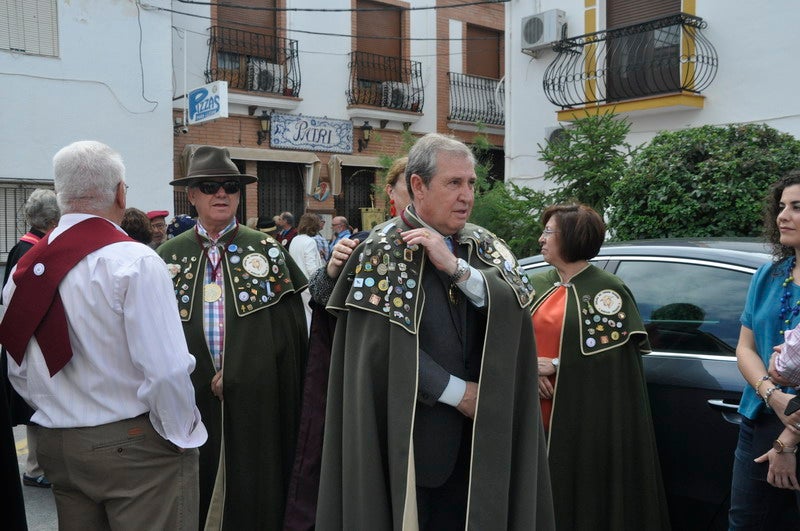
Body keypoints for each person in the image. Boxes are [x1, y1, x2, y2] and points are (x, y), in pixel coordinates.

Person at [315, 133, 554, 530]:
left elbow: (516, 312)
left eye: (471, 183)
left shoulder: (484, 245)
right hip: (412, 443)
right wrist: (459, 394)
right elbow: (379, 349)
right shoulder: (382, 250)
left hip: (488, 438)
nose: (467, 195)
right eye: (454, 183)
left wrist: (457, 269)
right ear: (418, 186)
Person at [0, 140, 207, 529]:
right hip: (133, 444)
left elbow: (17, 364)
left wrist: (57, 412)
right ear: (120, 192)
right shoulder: (135, 261)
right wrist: (181, 434)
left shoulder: (26, 268)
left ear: (61, 194)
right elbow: (166, 369)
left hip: (58, 443)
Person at [157, 145, 308, 530]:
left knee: (253, 490)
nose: (221, 194)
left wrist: (242, 371)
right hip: (189, 400)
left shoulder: (267, 249)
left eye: (230, 186)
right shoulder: (166, 256)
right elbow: (152, 335)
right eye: (209, 186)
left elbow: (289, 336)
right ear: (192, 195)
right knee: (192, 488)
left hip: (257, 401)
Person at [529, 203, 670, 530]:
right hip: (533, 418)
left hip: (585, 423)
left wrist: (556, 365)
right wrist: (529, 370)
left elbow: (611, 364)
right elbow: (510, 341)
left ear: (573, 238)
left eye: (549, 232)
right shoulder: (535, 284)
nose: (541, 239)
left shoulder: (609, 291)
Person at [284, 174, 412, 530]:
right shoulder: (366, 243)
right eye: (408, 188)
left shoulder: (448, 247)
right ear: (391, 192)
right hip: (368, 381)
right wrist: (331, 270)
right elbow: (324, 305)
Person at [730, 170, 800, 528]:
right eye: (782, 206)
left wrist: (788, 441)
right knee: (746, 523)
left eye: (797, 207)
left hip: (795, 424)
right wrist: (772, 395)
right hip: (759, 419)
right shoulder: (769, 275)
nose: (783, 216)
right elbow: (745, 347)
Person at [1, 189, 59, 490]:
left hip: (22, 338)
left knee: (36, 406)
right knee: (37, 405)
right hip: (28, 341)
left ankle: (38, 465)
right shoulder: (33, 250)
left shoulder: (24, 247)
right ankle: (37, 468)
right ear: (52, 220)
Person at [289, 213, 325, 331]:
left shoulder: (295, 239)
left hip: (297, 285)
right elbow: (312, 268)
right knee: (312, 319)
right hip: (309, 286)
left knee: (302, 318)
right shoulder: (310, 241)